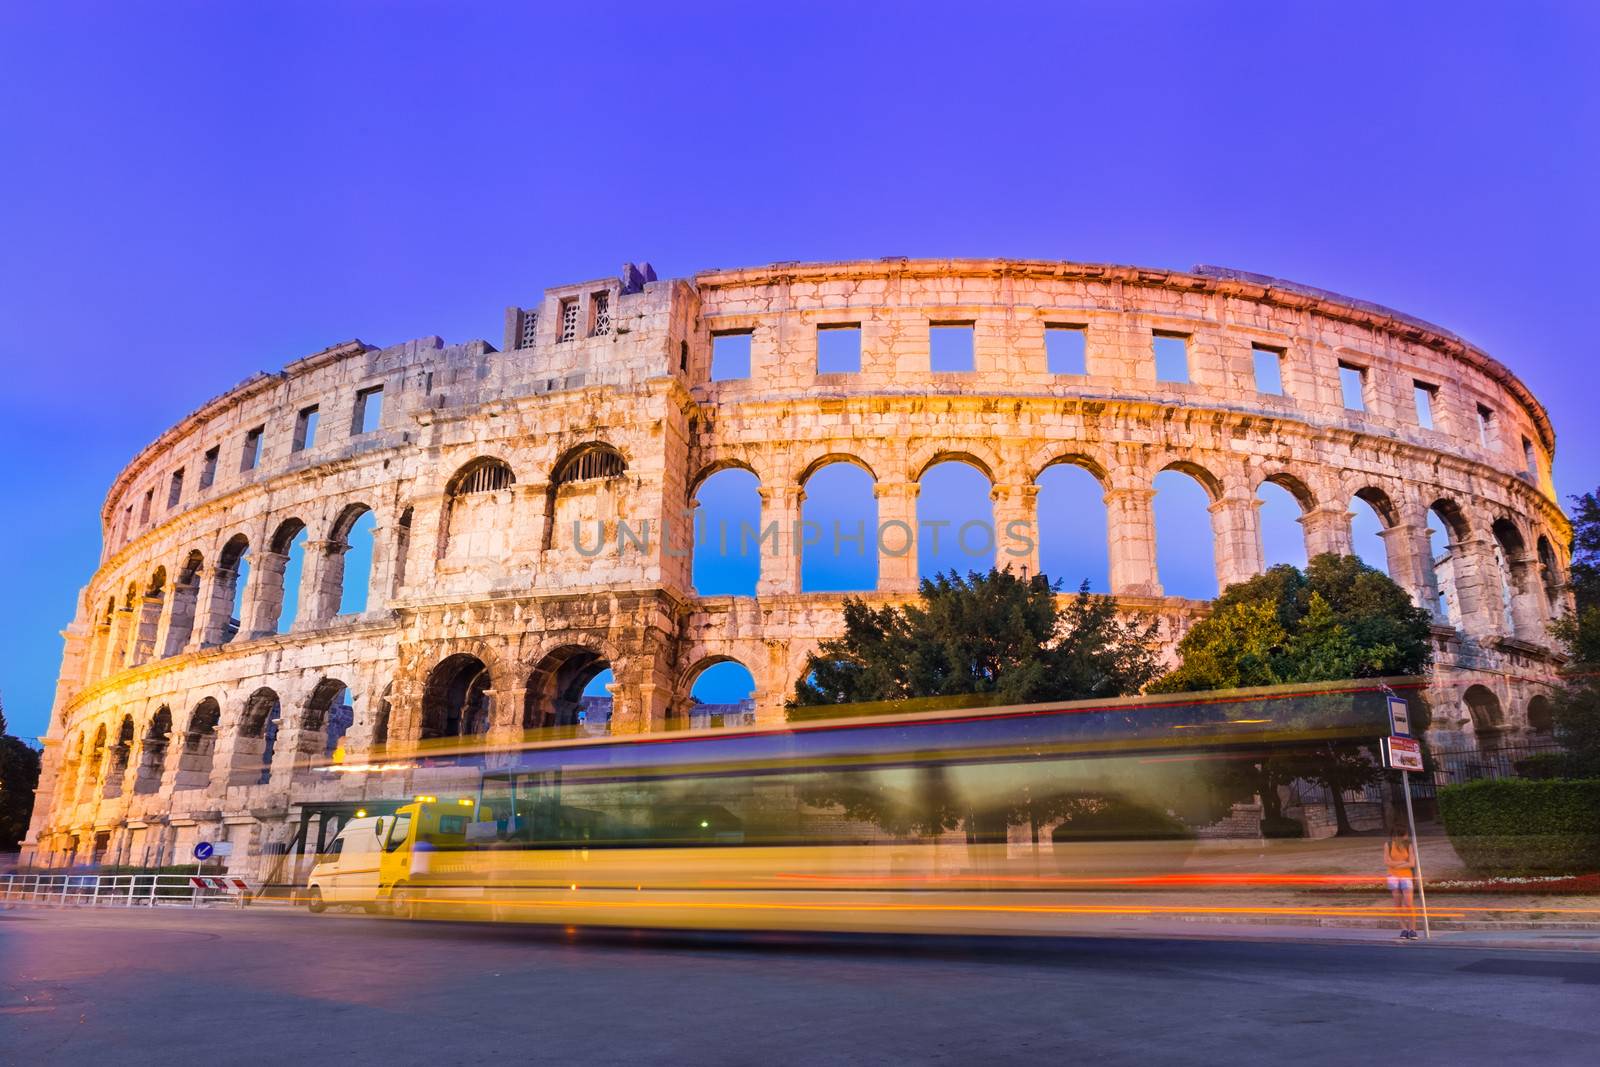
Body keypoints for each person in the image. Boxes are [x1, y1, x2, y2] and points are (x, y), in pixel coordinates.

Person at [1385, 827, 1418, 940]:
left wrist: (1396, 865)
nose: (1407, 837)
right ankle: (1404, 929)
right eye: (1405, 834)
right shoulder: (1388, 845)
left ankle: (1412, 930)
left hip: (1406, 877)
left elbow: (1412, 863)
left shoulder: (1409, 846)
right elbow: (1387, 862)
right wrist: (1403, 862)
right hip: (1393, 877)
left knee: (1409, 904)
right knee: (1398, 904)